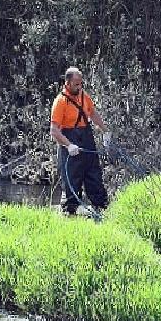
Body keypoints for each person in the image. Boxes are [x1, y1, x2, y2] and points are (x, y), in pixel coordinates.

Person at [50, 67, 111, 216]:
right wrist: (68, 145)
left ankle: (101, 209)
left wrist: (105, 130)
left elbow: (93, 113)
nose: (79, 87)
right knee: (72, 180)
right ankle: (69, 213)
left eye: (80, 84)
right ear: (67, 83)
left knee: (94, 175)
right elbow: (54, 130)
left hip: (86, 138)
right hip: (69, 142)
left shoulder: (84, 96)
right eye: (76, 84)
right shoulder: (60, 102)